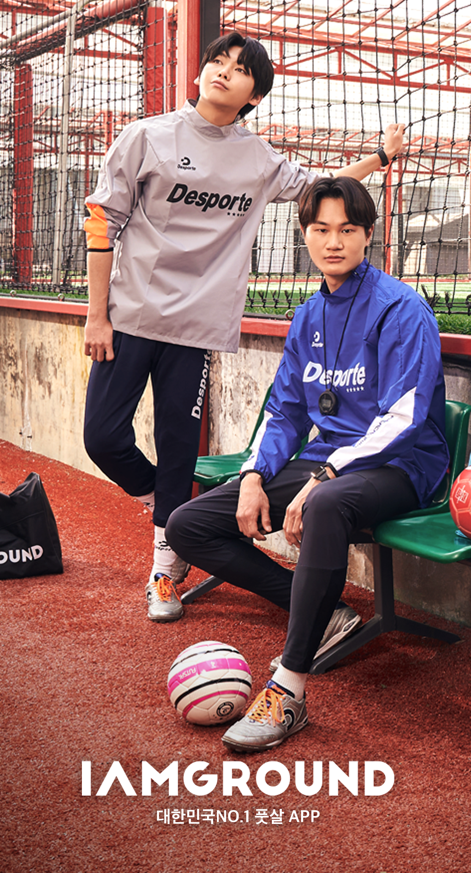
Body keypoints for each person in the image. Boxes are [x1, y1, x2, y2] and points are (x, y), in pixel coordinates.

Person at [83, 30, 404, 625]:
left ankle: (166, 566)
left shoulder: (256, 158)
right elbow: (102, 225)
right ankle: (172, 508)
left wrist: (380, 159)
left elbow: (323, 191)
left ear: (255, 94)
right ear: (202, 70)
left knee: (181, 449)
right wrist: (96, 313)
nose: (224, 71)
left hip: (199, 328)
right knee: (101, 438)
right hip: (128, 318)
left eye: (240, 68)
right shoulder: (147, 136)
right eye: (218, 60)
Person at [166, 175, 449, 753]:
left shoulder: (401, 309)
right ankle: (327, 615)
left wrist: (326, 474)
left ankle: (289, 689)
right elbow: (285, 410)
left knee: (324, 501)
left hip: (402, 467)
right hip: (330, 461)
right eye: (321, 229)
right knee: (187, 526)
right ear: (305, 235)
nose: (334, 241)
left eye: (348, 229)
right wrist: (253, 475)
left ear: (369, 235)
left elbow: (405, 417)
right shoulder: (308, 315)